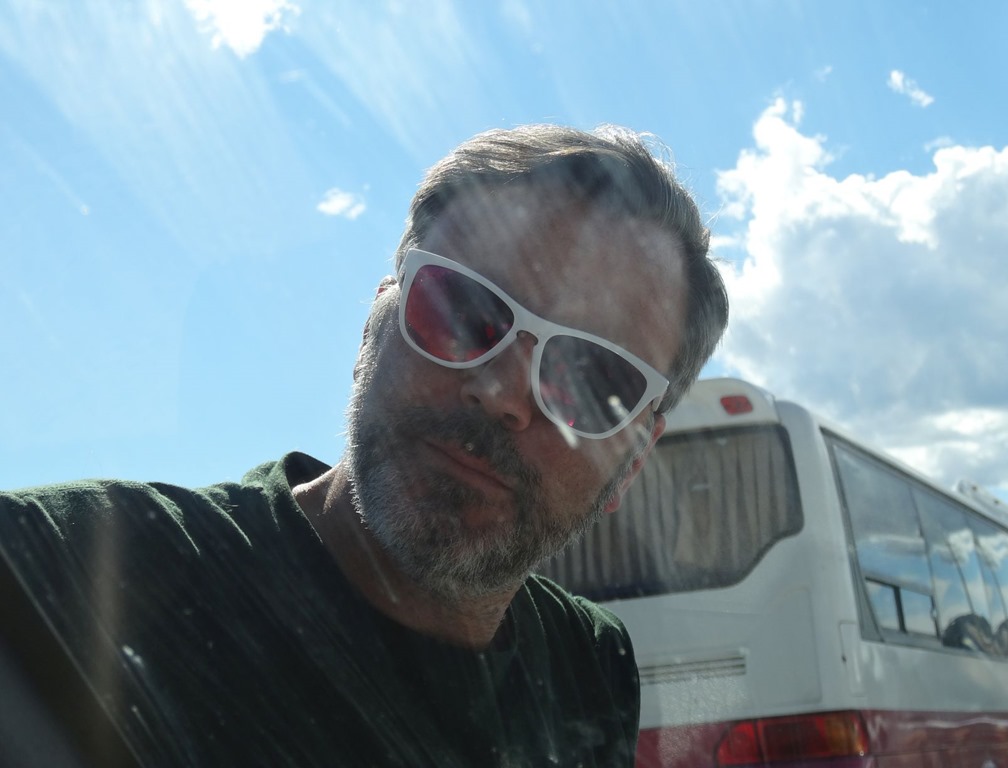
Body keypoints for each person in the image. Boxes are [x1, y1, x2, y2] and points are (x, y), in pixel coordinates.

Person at [0, 124, 729, 766]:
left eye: (592, 377)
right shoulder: (58, 573)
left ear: (630, 463)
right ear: (370, 331)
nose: (503, 393)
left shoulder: (589, 665)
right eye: (460, 309)